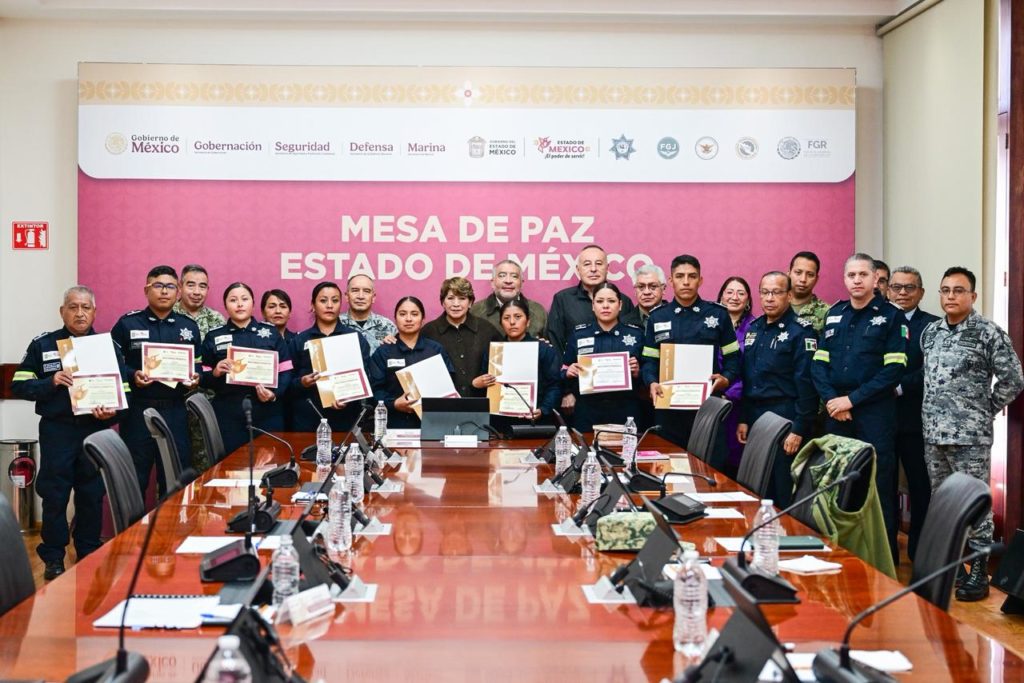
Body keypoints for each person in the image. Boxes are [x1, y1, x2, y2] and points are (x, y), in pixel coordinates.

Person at [11, 286, 129, 580]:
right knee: (55, 495)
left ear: (94, 312)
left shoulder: (108, 347)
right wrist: (50, 382)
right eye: (73, 307)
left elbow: (125, 392)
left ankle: (88, 550)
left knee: (91, 494)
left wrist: (113, 412)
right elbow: (19, 384)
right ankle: (53, 557)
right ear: (62, 311)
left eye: (85, 307)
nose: (79, 313)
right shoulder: (44, 345)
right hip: (58, 431)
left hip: (94, 431)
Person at [921, 266, 1024, 601]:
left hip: (970, 438)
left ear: (973, 296)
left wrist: (985, 410)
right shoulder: (931, 333)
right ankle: (954, 568)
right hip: (934, 436)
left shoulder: (987, 332)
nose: (950, 296)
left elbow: (1014, 380)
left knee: (976, 508)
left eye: (958, 290)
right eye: (945, 290)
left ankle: (979, 571)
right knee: (944, 504)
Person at [811, 253, 907, 563]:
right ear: (844, 278)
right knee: (837, 480)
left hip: (874, 413)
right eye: (851, 275)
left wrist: (852, 400)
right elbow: (818, 364)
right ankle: (841, 552)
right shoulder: (835, 314)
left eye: (863, 275)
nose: (856, 280)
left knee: (878, 485)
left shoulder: (891, 316)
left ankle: (884, 557)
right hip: (836, 412)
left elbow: (893, 370)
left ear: (875, 279)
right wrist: (832, 402)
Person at [111, 265, 203, 498]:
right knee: (136, 477)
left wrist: (196, 378)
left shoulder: (189, 327)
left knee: (174, 478)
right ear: (146, 290)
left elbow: (198, 365)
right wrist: (133, 375)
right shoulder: (127, 324)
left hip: (175, 410)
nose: (164, 291)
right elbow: (113, 366)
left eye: (170, 286)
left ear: (178, 291)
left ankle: (170, 533)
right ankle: (134, 534)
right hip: (138, 410)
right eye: (158, 286)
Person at [641, 254, 740, 454]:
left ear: (700, 280)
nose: (686, 282)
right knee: (668, 467)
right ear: (670, 281)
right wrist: (651, 382)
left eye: (692, 276)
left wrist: (726, 379)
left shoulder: (718, 314)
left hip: (707, 407)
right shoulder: (657, 316)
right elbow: (649, 361)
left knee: (708, 466)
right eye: (679, 276)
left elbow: (734, 359)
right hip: (668, 408)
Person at [736, 272, 818, 506]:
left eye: (777, 292)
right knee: (758, 485)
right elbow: (748, 378)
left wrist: (799, 428)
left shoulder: (801, 331)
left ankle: (787, 539)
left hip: (786, 416)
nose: (770, 298)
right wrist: (744, 418)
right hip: (756, 416)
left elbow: (807, 384)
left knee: (783, 488)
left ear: (789, 295)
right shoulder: (754, 329)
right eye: (765, 292)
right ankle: (761, 537)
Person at [200, 282, 293, 455]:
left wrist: (274, 394)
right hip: (228, 413)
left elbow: (286, 371)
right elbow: (203, 376)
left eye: (245, 299)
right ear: (225, 305)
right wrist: (216, 372)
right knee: (232, 468)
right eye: (233, 300)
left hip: (268, 412)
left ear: (253, 303)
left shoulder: (271, 333)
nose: (240, 304)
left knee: (270, 466)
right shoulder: (214, 336)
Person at [887, 265, 939, 562]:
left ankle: (920, 549)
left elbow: (931, 369)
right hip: (880, 418)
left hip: (916, 419)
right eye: (897, 287)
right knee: (884, 486)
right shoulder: (878, 320)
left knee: (920, 486)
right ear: (888, 289)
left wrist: (898, 386)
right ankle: (888, 551)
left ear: (920, 292)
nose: (903, 293)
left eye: (910, 288)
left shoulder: (932, 326)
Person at [472, 297, 562, 434]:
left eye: (518, 317)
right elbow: (486, 388)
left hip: (534, 422)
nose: (512, 322)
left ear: (528, 321)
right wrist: (479, 383)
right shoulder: (493, 350)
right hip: (499, 423)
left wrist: (544, 409)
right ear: (501, 323)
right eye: (506, 318)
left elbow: (555, 385)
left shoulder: (543, 349)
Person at [560, 283, 642, 433]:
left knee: (625, 453)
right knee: (587, 452)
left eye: (611, 301)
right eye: (599, 301)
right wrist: (568, 372)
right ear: (593, 305)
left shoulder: (636, 334)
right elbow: (563, 369)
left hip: (625, 409)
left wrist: (638, 372)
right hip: (587, 409)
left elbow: (649, 372)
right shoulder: (579, 335)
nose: (605, 306)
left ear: (620, 305)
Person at [290, 282, 371, 432]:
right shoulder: (300, 340)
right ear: (313, 305)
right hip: (308, 419)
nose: (329, 305)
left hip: (346, 419)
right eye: (323, 300)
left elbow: (366, 376)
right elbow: (288, 383)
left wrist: (348, 396)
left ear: (341, 304)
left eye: (335, 300)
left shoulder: (354, 338)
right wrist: (303, 382)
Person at [369, 296, 455, 429]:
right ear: (395, 319)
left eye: (414, 314)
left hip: (432, 424)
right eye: (402, 314)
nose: (408, 319)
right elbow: (376, 389)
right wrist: (394, 403)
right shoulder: (384, 352)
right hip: (394, 424)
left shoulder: (435, 350)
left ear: (422, 319)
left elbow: (448, 385)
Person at [546, 244, 636, 356]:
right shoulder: (563, 299)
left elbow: (633, 340)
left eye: (598, 264)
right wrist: (564, 370)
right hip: (576, 371)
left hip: (615, 370)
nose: (593, 269)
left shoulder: (624, 301)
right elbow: (555, 342)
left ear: (607, 268)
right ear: (578, 269)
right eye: (587, 264)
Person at [421, 276, 502, 398]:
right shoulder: (428, 331)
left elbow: (504, 361)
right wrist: (391, 339)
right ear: (443, 302)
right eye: (450, 298)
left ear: (470, 303)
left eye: (462, 298)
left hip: (480, 405)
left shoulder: (487, 330)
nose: (456, 304)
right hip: (440, 406)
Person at [718, 276, 756, 476]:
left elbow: (753, 371)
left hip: (740, 404)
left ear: (748, 299)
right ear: (721, 296)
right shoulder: (711, 323)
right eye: (729, 292)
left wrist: (730, 392)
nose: (734, 297)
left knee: (736, 460)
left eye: (741, 293)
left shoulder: (756, 328)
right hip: (712, 401)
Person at [470, 259, 548, 338]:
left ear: (521, 283)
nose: (508, 281)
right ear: (492, 283)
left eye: (514, 276)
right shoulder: (475, 312)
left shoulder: (538, 312)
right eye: (502, 276)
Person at [339, 274, 398, 354]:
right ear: (346, 296)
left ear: (373, 297)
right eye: (355, 290)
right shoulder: (336, 325)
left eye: (366, 291)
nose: (360, 296)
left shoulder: (387, 326)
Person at [173, 264, 226, 340]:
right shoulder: (169, 314)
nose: (197, 292)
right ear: (180, 287)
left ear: (207, 289)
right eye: (191, 285)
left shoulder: (216, 319)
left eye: (202, 287)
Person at [789, 251, 831, 332]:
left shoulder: (828, 312)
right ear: (789, 274)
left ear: (816, 279)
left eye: (810, 275)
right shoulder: (777, 306)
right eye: (798, 272)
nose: (803, 279)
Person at [621, 264, 667, 330]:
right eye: (641, 287)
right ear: (635, 291)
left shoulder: (675, 317)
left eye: (653, 286)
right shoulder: (623, 324)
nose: (646, 292)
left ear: (663, 289)